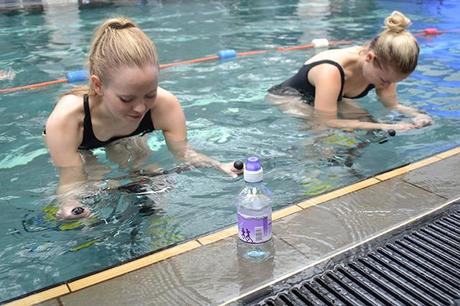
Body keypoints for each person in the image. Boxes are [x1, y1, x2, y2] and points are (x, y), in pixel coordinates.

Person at [44, 17, 241, 219]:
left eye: (149, 94)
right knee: (96, 182)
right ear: (98, 85)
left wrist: (218, 165)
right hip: (81, 143)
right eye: (126, 98)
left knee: (148, 171)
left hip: (127, 137)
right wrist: (71, 203)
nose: (140, 108)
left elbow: (183, 152)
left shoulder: (165, 105)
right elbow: (70, 178)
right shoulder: (66, 119)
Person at [267, 11, 432, 132]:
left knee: (368, 122)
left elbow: (392, 104)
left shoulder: (385, 69)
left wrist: (416, 115)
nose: (388, 85)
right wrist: (385, 126)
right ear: (369, 57)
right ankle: (314, 173)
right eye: (384, 81)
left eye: (393, 81)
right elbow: (327, 121)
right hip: (291, 97)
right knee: (322, 132)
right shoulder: (331, 71)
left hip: (328, 97)